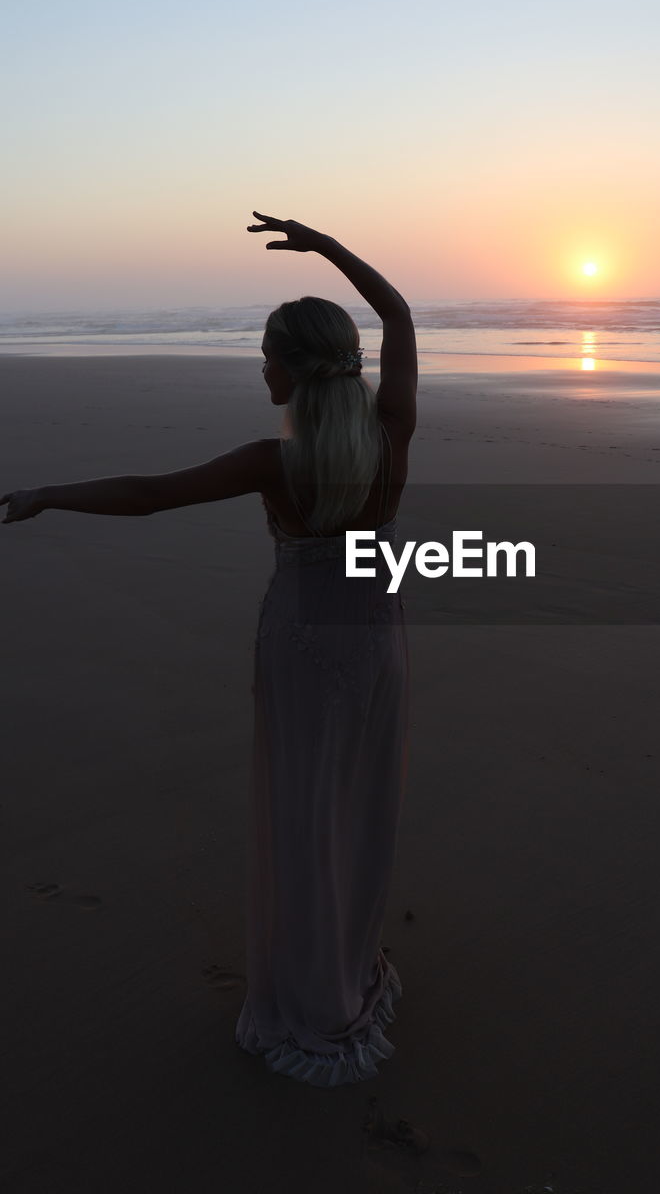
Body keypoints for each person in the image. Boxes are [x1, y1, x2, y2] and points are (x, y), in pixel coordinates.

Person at [1, 215, 418, 1089]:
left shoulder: (275, 461)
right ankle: (350, 968)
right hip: (377, 637)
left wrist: (45, 494)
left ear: (291, 370)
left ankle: (312, 1002)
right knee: (356, 805)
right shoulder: (389, 432)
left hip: (304, 644)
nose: (259, 368)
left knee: (302, 817)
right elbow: (399, 316)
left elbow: (153, 494)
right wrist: (330, 249)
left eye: (266, 355)